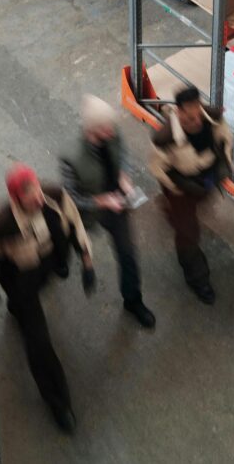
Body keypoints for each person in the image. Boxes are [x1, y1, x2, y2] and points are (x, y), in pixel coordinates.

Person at [0, 163, 96, 433]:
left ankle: (40, 285)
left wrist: (88, 261)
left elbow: (75, 223)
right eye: (28, 195)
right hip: (22, 276)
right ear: (16, 199)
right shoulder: (1, 226)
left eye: (36, 188)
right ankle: (58, 402)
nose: (37, 198)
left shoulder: (54, 195)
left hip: (48, 259)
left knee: (62, 239)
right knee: (38, 343)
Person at [60, 95, 155, 329]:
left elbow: (122, 153)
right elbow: (71, 198)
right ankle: (59, 261)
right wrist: (100, 201)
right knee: (67, 239)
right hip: (87, 211)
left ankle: (133, 300)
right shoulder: (70, 157)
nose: (112, 132)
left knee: (127, 253)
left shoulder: (112, 132)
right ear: (92, 130)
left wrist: (123, 174)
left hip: (115, 204)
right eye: (106, 129)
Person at [149, 86, 232, 305]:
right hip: (180, 184)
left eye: (197, 114)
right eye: (188, 117)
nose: (195, 121)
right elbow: (158, 168)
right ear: (178, 112)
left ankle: (171, 212)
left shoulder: (210, 117)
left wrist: (224, 159)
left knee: (201, 203)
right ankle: (197, 278)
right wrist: (176, 189)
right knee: (188, 233)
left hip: (206, 179)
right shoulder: (165, 138)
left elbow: (224, 135)